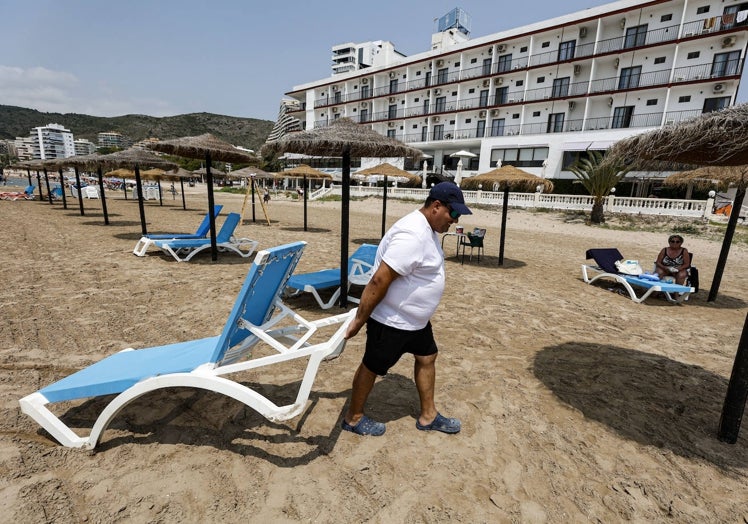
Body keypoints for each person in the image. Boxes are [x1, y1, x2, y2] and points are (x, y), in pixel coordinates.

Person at [341, 182, 472, 436]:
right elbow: (380, 279)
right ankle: (353, 418)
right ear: (436, 206)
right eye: (453, 214)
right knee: (372, 366)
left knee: (427, 357)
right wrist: (359, 320)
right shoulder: (412, 234)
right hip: (393, 321)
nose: (454, 221)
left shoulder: (427, 229)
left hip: (415, 322)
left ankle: (428, 416)